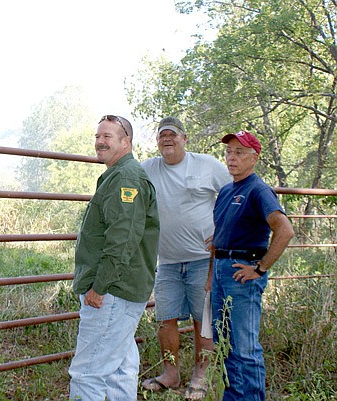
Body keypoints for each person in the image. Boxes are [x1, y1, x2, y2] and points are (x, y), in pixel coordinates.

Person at [69, 115, 160, 401]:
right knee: (120, 368)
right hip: (123, 290)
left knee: (87, 374)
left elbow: (122, 239)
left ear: (126, 142)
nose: (100, 142)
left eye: (108, 136)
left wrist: (100, 286)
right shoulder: (120, 174)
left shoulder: (126, 177)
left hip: (112, 291)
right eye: (98, 136)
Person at [141, 117, 232, 399]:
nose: (167, 139)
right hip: (166, 260)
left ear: (185, 138)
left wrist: (224, 232)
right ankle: (171, 373)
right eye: (162, 135)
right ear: (157, 142)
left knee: (201, 319)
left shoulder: (206, 165)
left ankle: (201, 376)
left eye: (173, 135)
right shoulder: (148, 168)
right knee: (165, 318)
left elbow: (233, 193)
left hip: (202, 260)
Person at [211, 131, 294, 401]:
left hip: (242, 273)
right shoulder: (226, 190)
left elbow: (285, 230)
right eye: (228, 152)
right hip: (222, 269)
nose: (231, 157)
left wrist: (259, 269)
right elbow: (227, 231)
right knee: (224, 343)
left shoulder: (258, 190)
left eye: (239, 152)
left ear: (254, 158)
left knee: (245, 347)